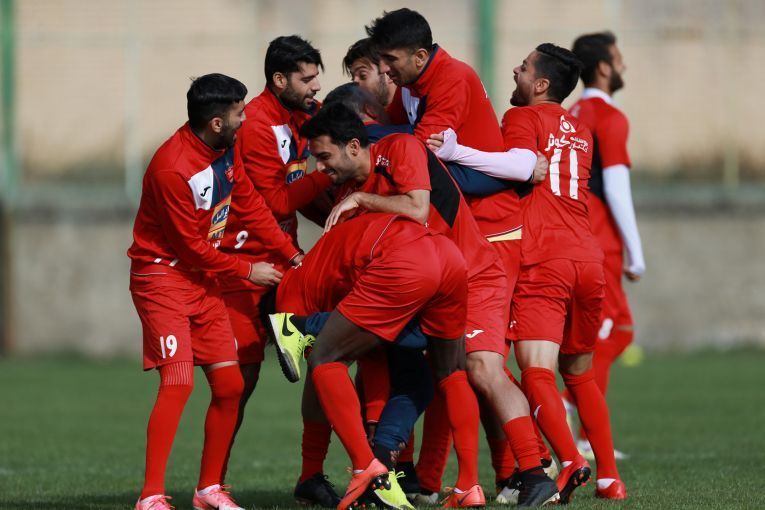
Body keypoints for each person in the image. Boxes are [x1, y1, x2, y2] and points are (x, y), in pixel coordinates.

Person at [297, 103, 560, 507]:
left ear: (353, 146)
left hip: (473, 275)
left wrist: (364, 200)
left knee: (480, 368)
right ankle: (410, 473)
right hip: (425, 291)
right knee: (429, 373)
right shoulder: (349, 194)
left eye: (324, 156)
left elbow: (418, 208)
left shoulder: (399, 149)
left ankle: (533, 473)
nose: (320, 167)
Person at [366, 9, 555, 504]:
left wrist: (357, 134)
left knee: (481, 364)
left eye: (388, 61)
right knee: (452, 365)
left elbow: (418, 159)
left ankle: (535, 465)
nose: (384, 72)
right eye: (374, 65)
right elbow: (402, 145)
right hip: (459, 235)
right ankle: (443, 479)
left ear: (419, 56)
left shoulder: (451, 79)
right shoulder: (410, 86)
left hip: (491, 237)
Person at [127, 73, 301, 510]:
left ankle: (208, 490)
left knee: (229, 384)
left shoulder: (226, 148)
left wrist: (292, 254)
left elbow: (250, 204)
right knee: (178, 382)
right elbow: (189, 247)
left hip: (203, 280)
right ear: (217, 123)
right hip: (162, 279)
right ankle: (150, 496)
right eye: (239, 113)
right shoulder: (172, 169)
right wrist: (248, 270)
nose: (246, 118)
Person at [274, 212, 479, 510]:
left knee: (325, 358)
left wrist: (372, 425)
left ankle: (367, 469)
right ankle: (468, 486)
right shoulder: (330, 249)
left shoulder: (293, 290)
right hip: (448, 254)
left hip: (404, 258)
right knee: (447, 373)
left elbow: (341, 370)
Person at [216, 35, 339, 507]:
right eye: (307, 79)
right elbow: (276, 202)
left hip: (286, 258)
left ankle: (312, 474)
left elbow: (296, 197)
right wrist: (328, 173)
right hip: (247, 265)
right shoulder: (255, 125)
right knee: (240, 381)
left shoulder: (303, 115)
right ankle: (213, 484)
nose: (316, 87)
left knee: (328, 355)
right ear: (279, 79)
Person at [565, 31, 645, 460]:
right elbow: (616, 188)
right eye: (618, 57)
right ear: (603, 67)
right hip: (600, 240)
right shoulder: (609, 116)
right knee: (609, 334)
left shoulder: (573, 113)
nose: (624, 65)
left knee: (612, 332)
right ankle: (574, 417)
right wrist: (636, 252)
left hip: (572, 235)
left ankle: (574, 417)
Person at [343, 37, 397, 107]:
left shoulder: (410, 106)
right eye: (353, 78)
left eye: (363, 75)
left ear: (389, 72)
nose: (355, 84)